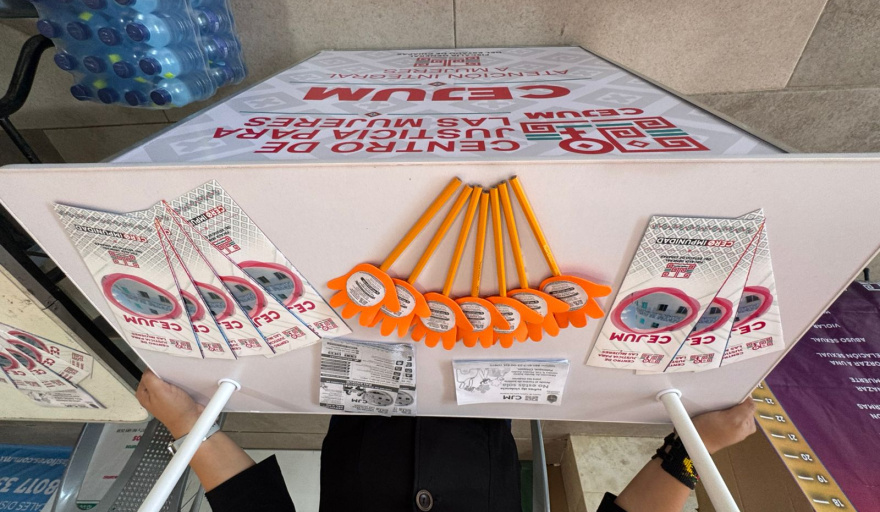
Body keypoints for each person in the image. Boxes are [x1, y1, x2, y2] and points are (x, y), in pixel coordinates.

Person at [136, 370, 756, 512]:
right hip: (483, 404)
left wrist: (190, 426)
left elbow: (257, 510)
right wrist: (688, 453)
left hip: (363, 400)